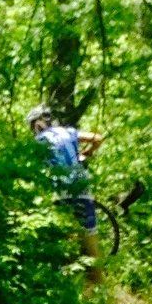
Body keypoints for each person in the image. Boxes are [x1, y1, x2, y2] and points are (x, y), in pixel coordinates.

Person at [28, 104, 104, 269]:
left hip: (61, 192)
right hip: (82, 187)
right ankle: (99, 286)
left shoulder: (38, 142)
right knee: (91, 239)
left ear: (37, 124)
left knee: (65, 239)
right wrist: (85, 154)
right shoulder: (68, 132)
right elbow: (97, 138)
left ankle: (71, 282)